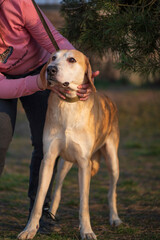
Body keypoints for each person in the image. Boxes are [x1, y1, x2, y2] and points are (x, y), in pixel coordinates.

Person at [0, 0, 99, 231]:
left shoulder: (17, 3)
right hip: (6, 81)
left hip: (42, 68)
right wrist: (37, 84)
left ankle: (40, 212)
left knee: (44, 145)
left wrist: (77, 71)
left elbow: (54, 40)